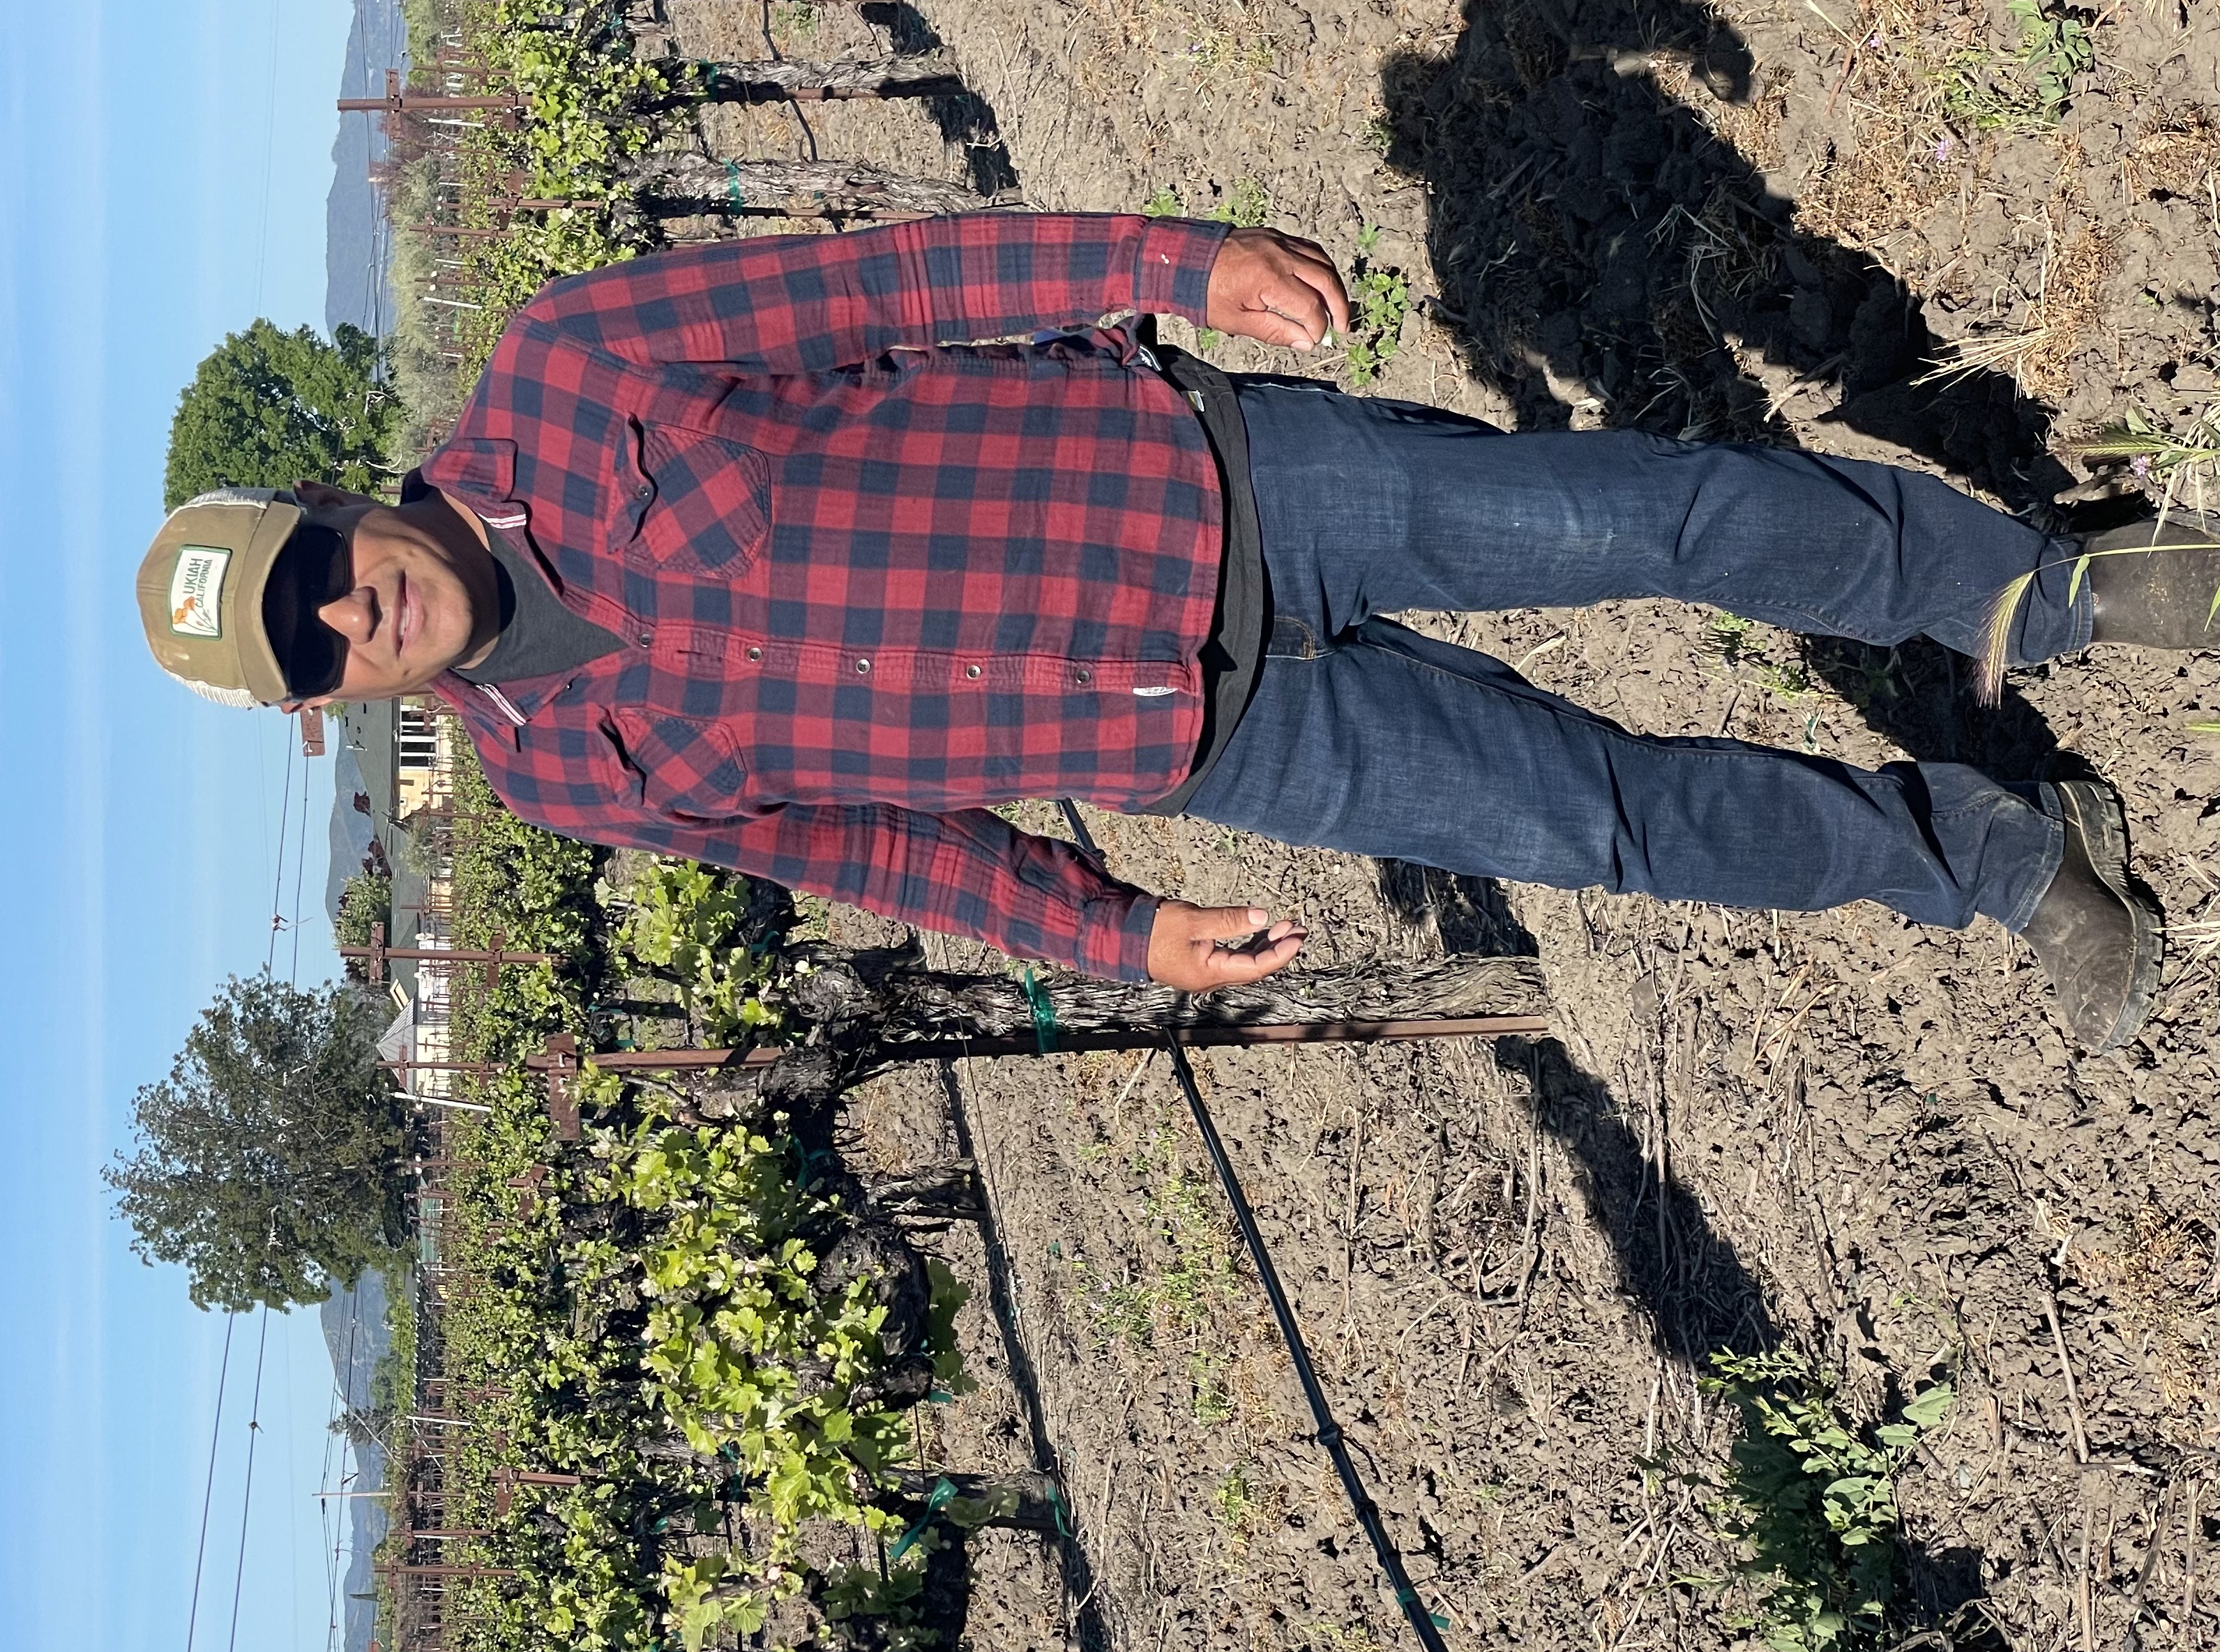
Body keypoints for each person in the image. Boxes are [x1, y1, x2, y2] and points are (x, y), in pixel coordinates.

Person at [135, 213, 2214, 1050]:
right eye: (310, 649)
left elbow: (889, 286)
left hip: (1227, 485)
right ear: (326, 704)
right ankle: (2013, 862)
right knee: (1618, 828)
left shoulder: (571, 368)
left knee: (1649, 515)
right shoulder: (558, 775)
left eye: (315, 569)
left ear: (329, 501)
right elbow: (867, 851)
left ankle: (2038, 589)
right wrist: (1110, 935)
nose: (348, 611)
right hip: (1213, 750)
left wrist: (1166, 256)